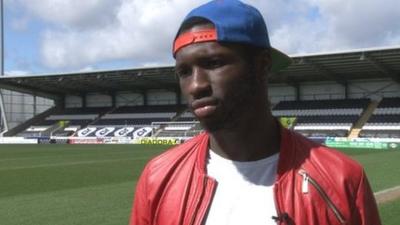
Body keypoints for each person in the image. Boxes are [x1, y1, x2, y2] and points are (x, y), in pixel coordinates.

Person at [129, 0, 381, 224]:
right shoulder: (157, 176)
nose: (195, 85)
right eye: (184, 72)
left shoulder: (342, 179)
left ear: (262, 66)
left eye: (213, 63)